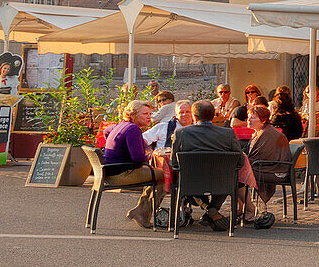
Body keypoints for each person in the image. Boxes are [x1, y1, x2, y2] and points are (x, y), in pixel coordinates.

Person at [170, 99, 246, 231]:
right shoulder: (228, 133)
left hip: (191, 181)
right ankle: (212, 211)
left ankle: (209, 210)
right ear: (214, 115)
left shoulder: (181, 133)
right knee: (230, 176)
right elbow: (240, 161)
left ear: (194, 116)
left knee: (183, 178)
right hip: (222, 181)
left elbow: (174, 163)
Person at [102, 99, 166, 229]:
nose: (149, 117)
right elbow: (138, 158)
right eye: (145, 114)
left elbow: (106, 132)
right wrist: (150, 154)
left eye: (150, 114)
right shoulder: (133, 129)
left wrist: (117, 148)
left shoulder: (121, 125)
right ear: (133, 115)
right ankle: (142, 212)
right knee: (166, 177)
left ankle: (141, 210)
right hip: (121, 174)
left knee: (156, 176)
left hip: (110, 172)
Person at [248, 104, 291, 217]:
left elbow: (262, 157)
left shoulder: (268, 134)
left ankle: (248, 209)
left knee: (237, 174)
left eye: (252, 117)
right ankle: (247, 208)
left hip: (274, 171)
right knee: (238, 171)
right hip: (266, 167)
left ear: (263, 120)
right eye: (248, 116)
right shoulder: (259, 132)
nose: (249, 119)